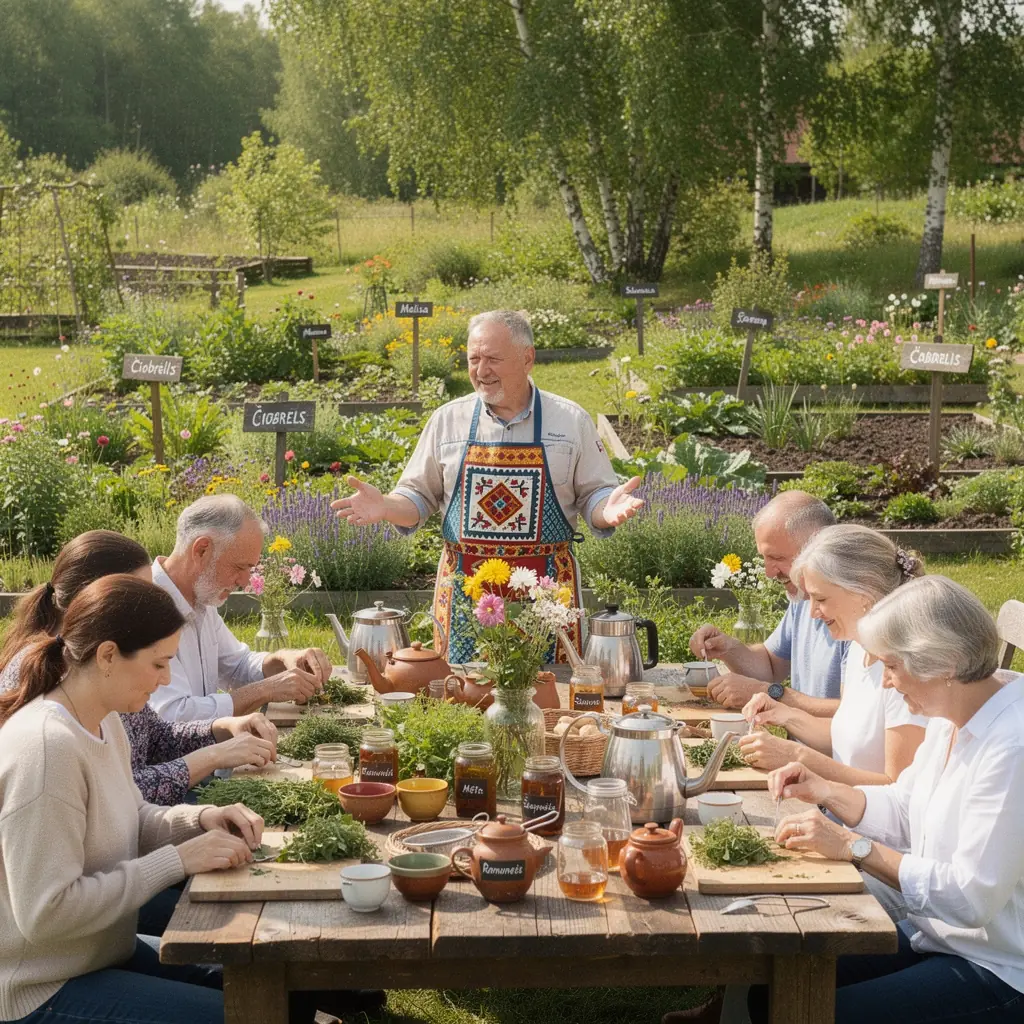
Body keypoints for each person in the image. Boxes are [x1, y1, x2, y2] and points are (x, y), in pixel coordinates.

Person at [751, 576, 1024, 1023]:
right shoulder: (953, 714)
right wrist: (826, 790)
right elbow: (904, 805)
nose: (886, 683)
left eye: (892, 667)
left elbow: (970, 898)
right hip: (941, 935)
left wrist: (853, 847)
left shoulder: (1013, 746)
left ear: (945, 663)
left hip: (1000, 966)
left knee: (811, 1011)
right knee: (775, 988)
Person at [0, 575, 261, 1024]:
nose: (166, 680)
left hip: (98, 955)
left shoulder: (105, 721)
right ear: (107, 656)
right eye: (159, 664)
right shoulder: (47, 749)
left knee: (267, 983)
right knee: (246, 1014)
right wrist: (177, 861)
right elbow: (47, 913)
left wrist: (201, 819)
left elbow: (132, 816)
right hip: (42, 986)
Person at [331, 309, 644, 663]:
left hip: (546, 599)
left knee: (551, 690)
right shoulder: (447, 420)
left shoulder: (570, 421)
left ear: (527, 358)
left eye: (493, 359)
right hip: (466, 597)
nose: (481, 371)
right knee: (461, 687)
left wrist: (606, 508)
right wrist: (387, 506)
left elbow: (594, 495)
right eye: (473, 359)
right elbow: (417, 497)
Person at [0, 531, 279, 806]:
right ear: (97, 596)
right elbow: (117, 797)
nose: (151, 606)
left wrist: (223, 727)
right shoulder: (65, 677)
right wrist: (213, 757)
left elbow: (156, 736)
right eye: (139, 595)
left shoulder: (102, 661)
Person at [737, 525, 928, 785]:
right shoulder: (860, 647)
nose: (813, 613)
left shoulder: (905, 668)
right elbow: (848, 735)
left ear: (863, 592)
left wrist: (796, 755)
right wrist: (786, 715)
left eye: (821, 599)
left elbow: (897, 789)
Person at [150, 495, 331, 722]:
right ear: (202, 550)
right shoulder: (146, 608)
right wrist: (266, 690)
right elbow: (174, 715)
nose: (245, 582)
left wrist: (283, 660)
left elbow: (236, 666)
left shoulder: (200, 596)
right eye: (239, 567)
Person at [690, 490, 846, 708]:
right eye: (764, 558)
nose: (769, 573)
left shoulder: (857, 610)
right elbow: (772, 668)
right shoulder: (802, 597)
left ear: (818, 545)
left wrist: (768, 693)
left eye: (777, 557)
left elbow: (855, 715)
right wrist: (727, 648)